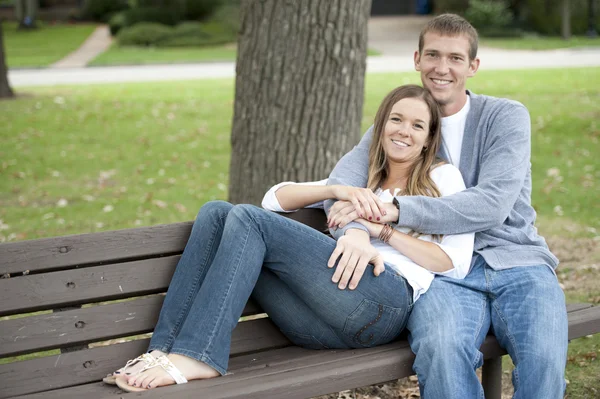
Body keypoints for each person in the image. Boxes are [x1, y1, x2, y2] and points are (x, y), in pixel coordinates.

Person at [105, 85, 474, 393]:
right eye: (396, 119)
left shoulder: (443, 179)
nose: (403, 131)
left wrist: (382, 232)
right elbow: (274, 197)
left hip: (383, 301)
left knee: (249, 220)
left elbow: (453, 263)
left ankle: (199, 355)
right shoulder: (364, 177)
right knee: (217, 212)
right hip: (317, 322)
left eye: (416, 125)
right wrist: (338, 190)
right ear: (380, 127)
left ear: (428, 140)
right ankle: (162, 351)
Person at [325, 14, 568, 399]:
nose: (442, 68)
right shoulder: (402, 126)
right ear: (417, 59)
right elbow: (339, 188)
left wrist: (399, 212)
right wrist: (355, 229)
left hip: (516, 261)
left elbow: (492, 205)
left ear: (472, 66)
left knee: (544, 357)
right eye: (433, 55)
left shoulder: (505, 117)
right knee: (441, 351)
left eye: (455, 58)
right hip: (442, 273)